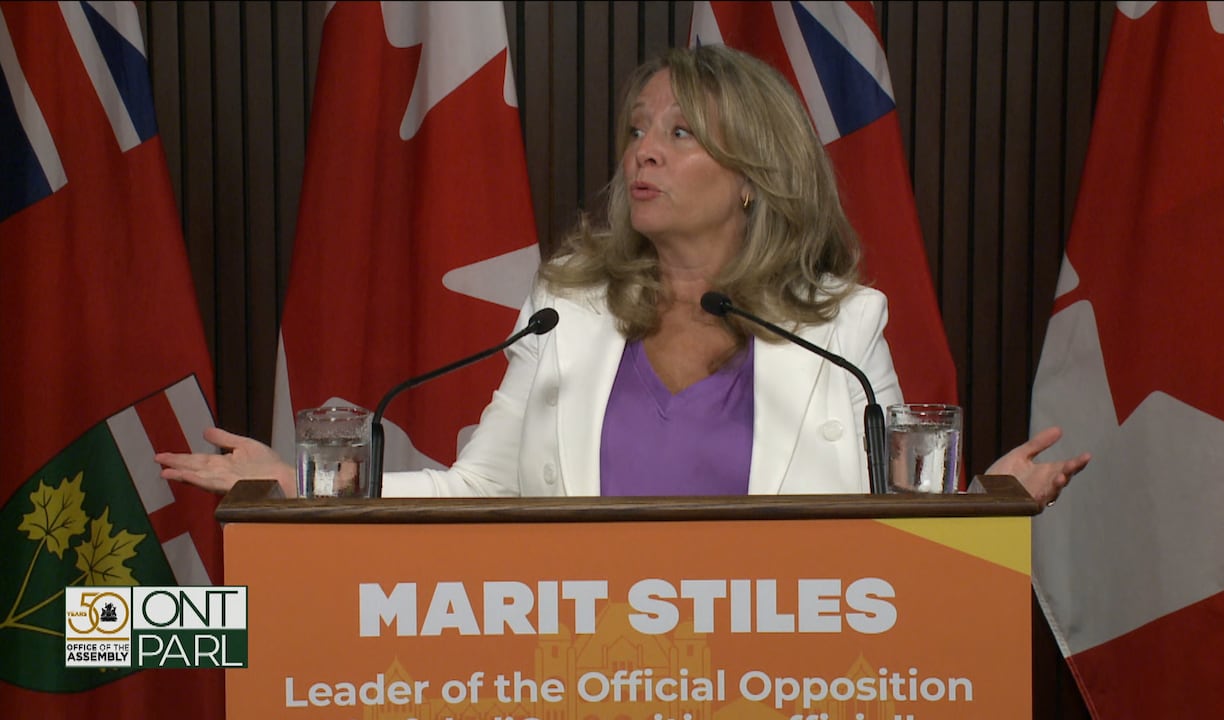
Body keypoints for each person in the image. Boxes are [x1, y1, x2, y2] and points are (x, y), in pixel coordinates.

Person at [156, 45, 1089, 507]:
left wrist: (987, 507)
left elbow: (894, 517)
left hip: (779, 681)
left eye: (679, 134)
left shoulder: (843, 324)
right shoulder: (568, 306)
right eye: (639, 129)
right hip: (588, 670)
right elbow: (483, 487)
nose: (642, 152)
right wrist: (303, 484)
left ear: (755, 179)